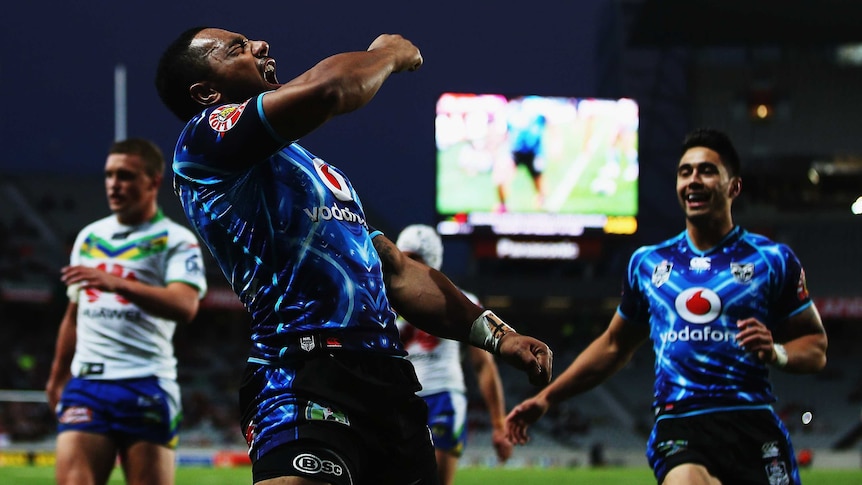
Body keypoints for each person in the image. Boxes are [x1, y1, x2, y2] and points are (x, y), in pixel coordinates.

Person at [155, 27, 552, 485]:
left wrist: (497, 336)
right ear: (206, 91)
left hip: (391, 383)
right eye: (238, 49)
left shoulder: (316, 171)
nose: (262, 45)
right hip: (300, 371)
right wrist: (385, 54)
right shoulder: (202, 141)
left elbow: (395, 270)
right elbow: (329, 89)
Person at [506, 127, 828, 485]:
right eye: (685, 172)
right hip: (680, 422)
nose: (693, 180)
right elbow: (614, 345)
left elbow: (815, 347)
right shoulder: (648, 264)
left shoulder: (772, 259)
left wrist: (777, 353)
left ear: (733, 186)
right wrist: (548, 398)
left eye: (707, 170)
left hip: (751, 421)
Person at [45, 138, 208, 485]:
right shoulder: (90, 237)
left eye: (126, 176)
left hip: (146, 382)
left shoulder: (175, 240)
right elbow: (75, 314)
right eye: (109, 175)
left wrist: (117, 283)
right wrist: (58, 375)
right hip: (87, 383)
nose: (114, 184)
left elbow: (185, 305)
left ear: (153, 182)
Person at [394, 224, 513, 484]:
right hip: (399, 399)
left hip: (443, 395)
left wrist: (499, 424)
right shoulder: (386, 303)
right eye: (404, 258)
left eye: (416, 259)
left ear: (432, 260)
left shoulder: (461, 301)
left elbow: (483, 365)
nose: (408, 266)